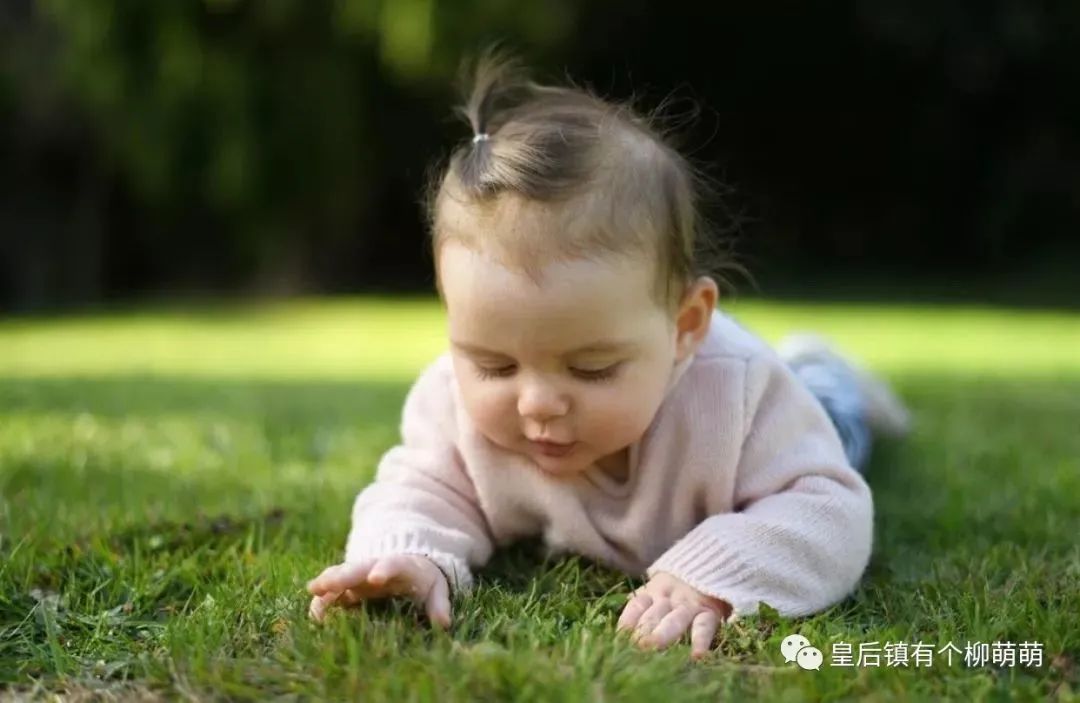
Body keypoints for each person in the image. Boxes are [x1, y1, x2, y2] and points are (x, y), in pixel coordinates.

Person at [306, 50, 910, 659]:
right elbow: (424, 487)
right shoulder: (450, 403)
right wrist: (405, 553)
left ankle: (827, 372)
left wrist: (715, 573)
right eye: (493, 364)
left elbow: (828, 509)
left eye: (591, 367)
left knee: (837, 419)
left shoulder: (741, 393)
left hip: (792, 424)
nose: (537, 402)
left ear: (685, 326)